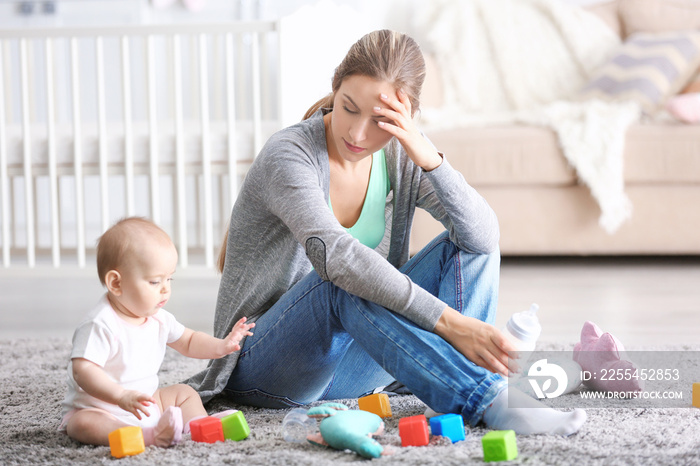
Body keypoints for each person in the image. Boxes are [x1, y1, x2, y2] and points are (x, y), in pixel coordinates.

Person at [187, 30, 586, 436]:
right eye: (348, 108)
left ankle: (462, 385)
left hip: (344, 376)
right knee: (346, 280)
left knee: (468, 245)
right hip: (264, 367)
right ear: (335, 89)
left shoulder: (401, 151)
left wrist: (428, 157)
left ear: (407, 117)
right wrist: (449, 323)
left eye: (381, 120)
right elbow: (340, 260)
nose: (358, 134)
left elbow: (483, 237)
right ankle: (487, 399)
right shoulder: (289, 155)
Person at [60, 217, 255, 447]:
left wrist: (221, 346)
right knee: (81, 424)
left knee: (184, 393)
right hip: (105, 409)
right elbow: (83, 370)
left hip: (146, 401)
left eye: (169, 278)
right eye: (154, 282)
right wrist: (120, 397)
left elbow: (189, 340)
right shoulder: (100, 323)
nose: (165, 289)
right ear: (116, 283)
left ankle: (200, 426)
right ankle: (147, 437)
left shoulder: (158, 318)